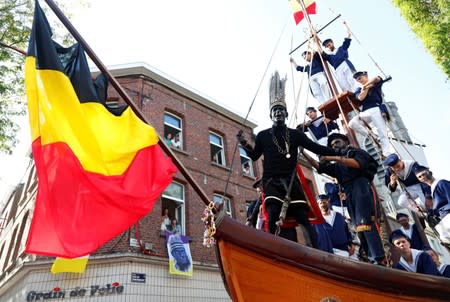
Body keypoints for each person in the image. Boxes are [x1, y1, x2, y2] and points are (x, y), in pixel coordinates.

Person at [237, 71, 339, 245]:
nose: (278, 113)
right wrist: (244, 144)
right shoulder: (263, 135)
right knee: (273, 214)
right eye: (275, 110)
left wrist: (339, 152)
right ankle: (273, 247)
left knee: (302, 217)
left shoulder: (295, 135)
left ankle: (315, 251)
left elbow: (315, 147)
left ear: (286, 113)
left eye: (281, 110)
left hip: (291, 181)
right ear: (271, 115)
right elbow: (254, 156)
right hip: (271, 182)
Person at [302, 132, 386, 265]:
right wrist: (304, 152)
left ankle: (379, 258)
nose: (335, 145)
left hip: (360, 186)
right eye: (332, 144)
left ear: (346, 142)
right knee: (357, 226)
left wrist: (331, 157)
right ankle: (370, 256)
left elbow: (358, 164)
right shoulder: (337, 165)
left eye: (337, 142)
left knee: (364, 222)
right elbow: (319, 166)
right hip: (349, 191)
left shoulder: (355, 152)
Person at [348, 71, 391, 157]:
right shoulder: (359, 89)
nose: (359, 80)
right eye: (357, 80)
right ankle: (372, 136)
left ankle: (386, 153)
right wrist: (366, 87)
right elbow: (360, 97)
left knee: (382, 132)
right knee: (352, 123)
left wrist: (367, 84)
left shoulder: (374, 83)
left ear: (366, 76)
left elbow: (377, 78)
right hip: (366, 111)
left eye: (360, 78)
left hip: (376, 109)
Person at [414, 166, 450, 245]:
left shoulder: (442, 183)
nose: (423, 177)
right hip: (442, 221)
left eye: (424, 174)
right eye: (419, 177)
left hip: (448, 216)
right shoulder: (430, 192)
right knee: (444, 240)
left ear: (429, 172)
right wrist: (425, 211)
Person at [322, 22, 358, 92]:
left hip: (346, 64)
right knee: (344, 85)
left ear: (332, 43)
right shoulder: (328, 56)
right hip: (337, 69)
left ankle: (358, 92)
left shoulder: (342, 48)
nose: (328, 45)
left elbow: (348, 34)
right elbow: (319, 52)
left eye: (329, 43)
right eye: (326, 45)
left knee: (353, 79)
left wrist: (345, 25)